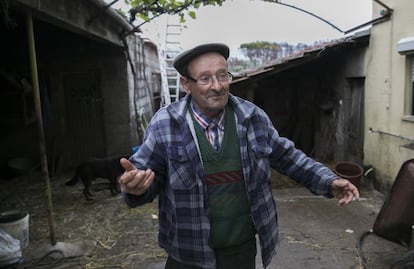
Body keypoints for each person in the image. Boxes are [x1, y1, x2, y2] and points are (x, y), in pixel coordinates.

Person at [119, 43, 360, 269]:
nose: (217, 85)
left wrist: (328, 180)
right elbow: (143, 176)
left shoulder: (252, 117)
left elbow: (287, 157)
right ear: (185, 84)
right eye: (205, 78)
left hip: (241, 251)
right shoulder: (166, 123)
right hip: (186, 253)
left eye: (223, 75)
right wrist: (135, 188)